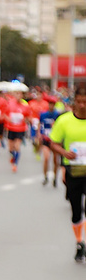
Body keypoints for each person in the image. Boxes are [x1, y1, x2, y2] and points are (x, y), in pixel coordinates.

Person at [47, 84, 86, 261]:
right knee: (76, 210)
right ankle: (79, 242)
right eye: (79, 102)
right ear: (74, 102)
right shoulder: (64, 121)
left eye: (85, 102)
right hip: (73, 171)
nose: (82, 105)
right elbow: (53, 142)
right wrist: (64, 153)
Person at [39, 95, 62, 187]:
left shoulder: (58, 115)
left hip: (55, 140)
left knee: (55, 160)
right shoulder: (43, 114)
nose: (51, 106)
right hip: (46, 139)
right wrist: (39, 135)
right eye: (50, 104)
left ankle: (55, 177)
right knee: (46, 158)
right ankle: (45, 177)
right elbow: (41, 125)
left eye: (53, 104)